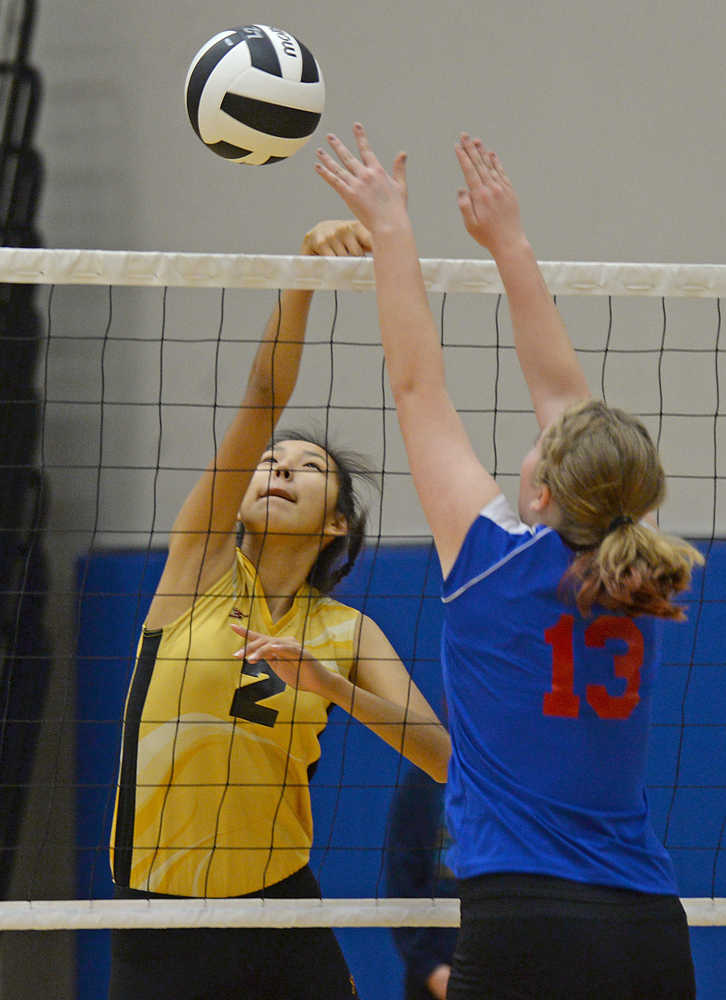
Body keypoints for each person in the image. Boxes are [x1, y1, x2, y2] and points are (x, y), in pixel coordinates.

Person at [316, 125, 702, 998]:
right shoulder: (641, 571)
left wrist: (394, 228)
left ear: (542, 489)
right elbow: (564, 401)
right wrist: (508, 241)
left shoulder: (489, 561)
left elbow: (417, 385)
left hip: (523, 924)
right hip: (648, 926)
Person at [108, 218, 451, 1000]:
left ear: (337, 524)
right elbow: (263, 398)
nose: (280, 469)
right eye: (272, 461)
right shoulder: (199, 565)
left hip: (280, 906)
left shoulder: (347, 632)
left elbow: (442, 760)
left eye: (308, 467)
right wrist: (303, 273)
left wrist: (334, 687)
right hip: (160, 915)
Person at [385, 764, 457, 1000]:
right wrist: (431, 970)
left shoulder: (508, 774)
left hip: (500, 962)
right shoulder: (423, 779)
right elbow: (401, 882)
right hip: (434, 975)